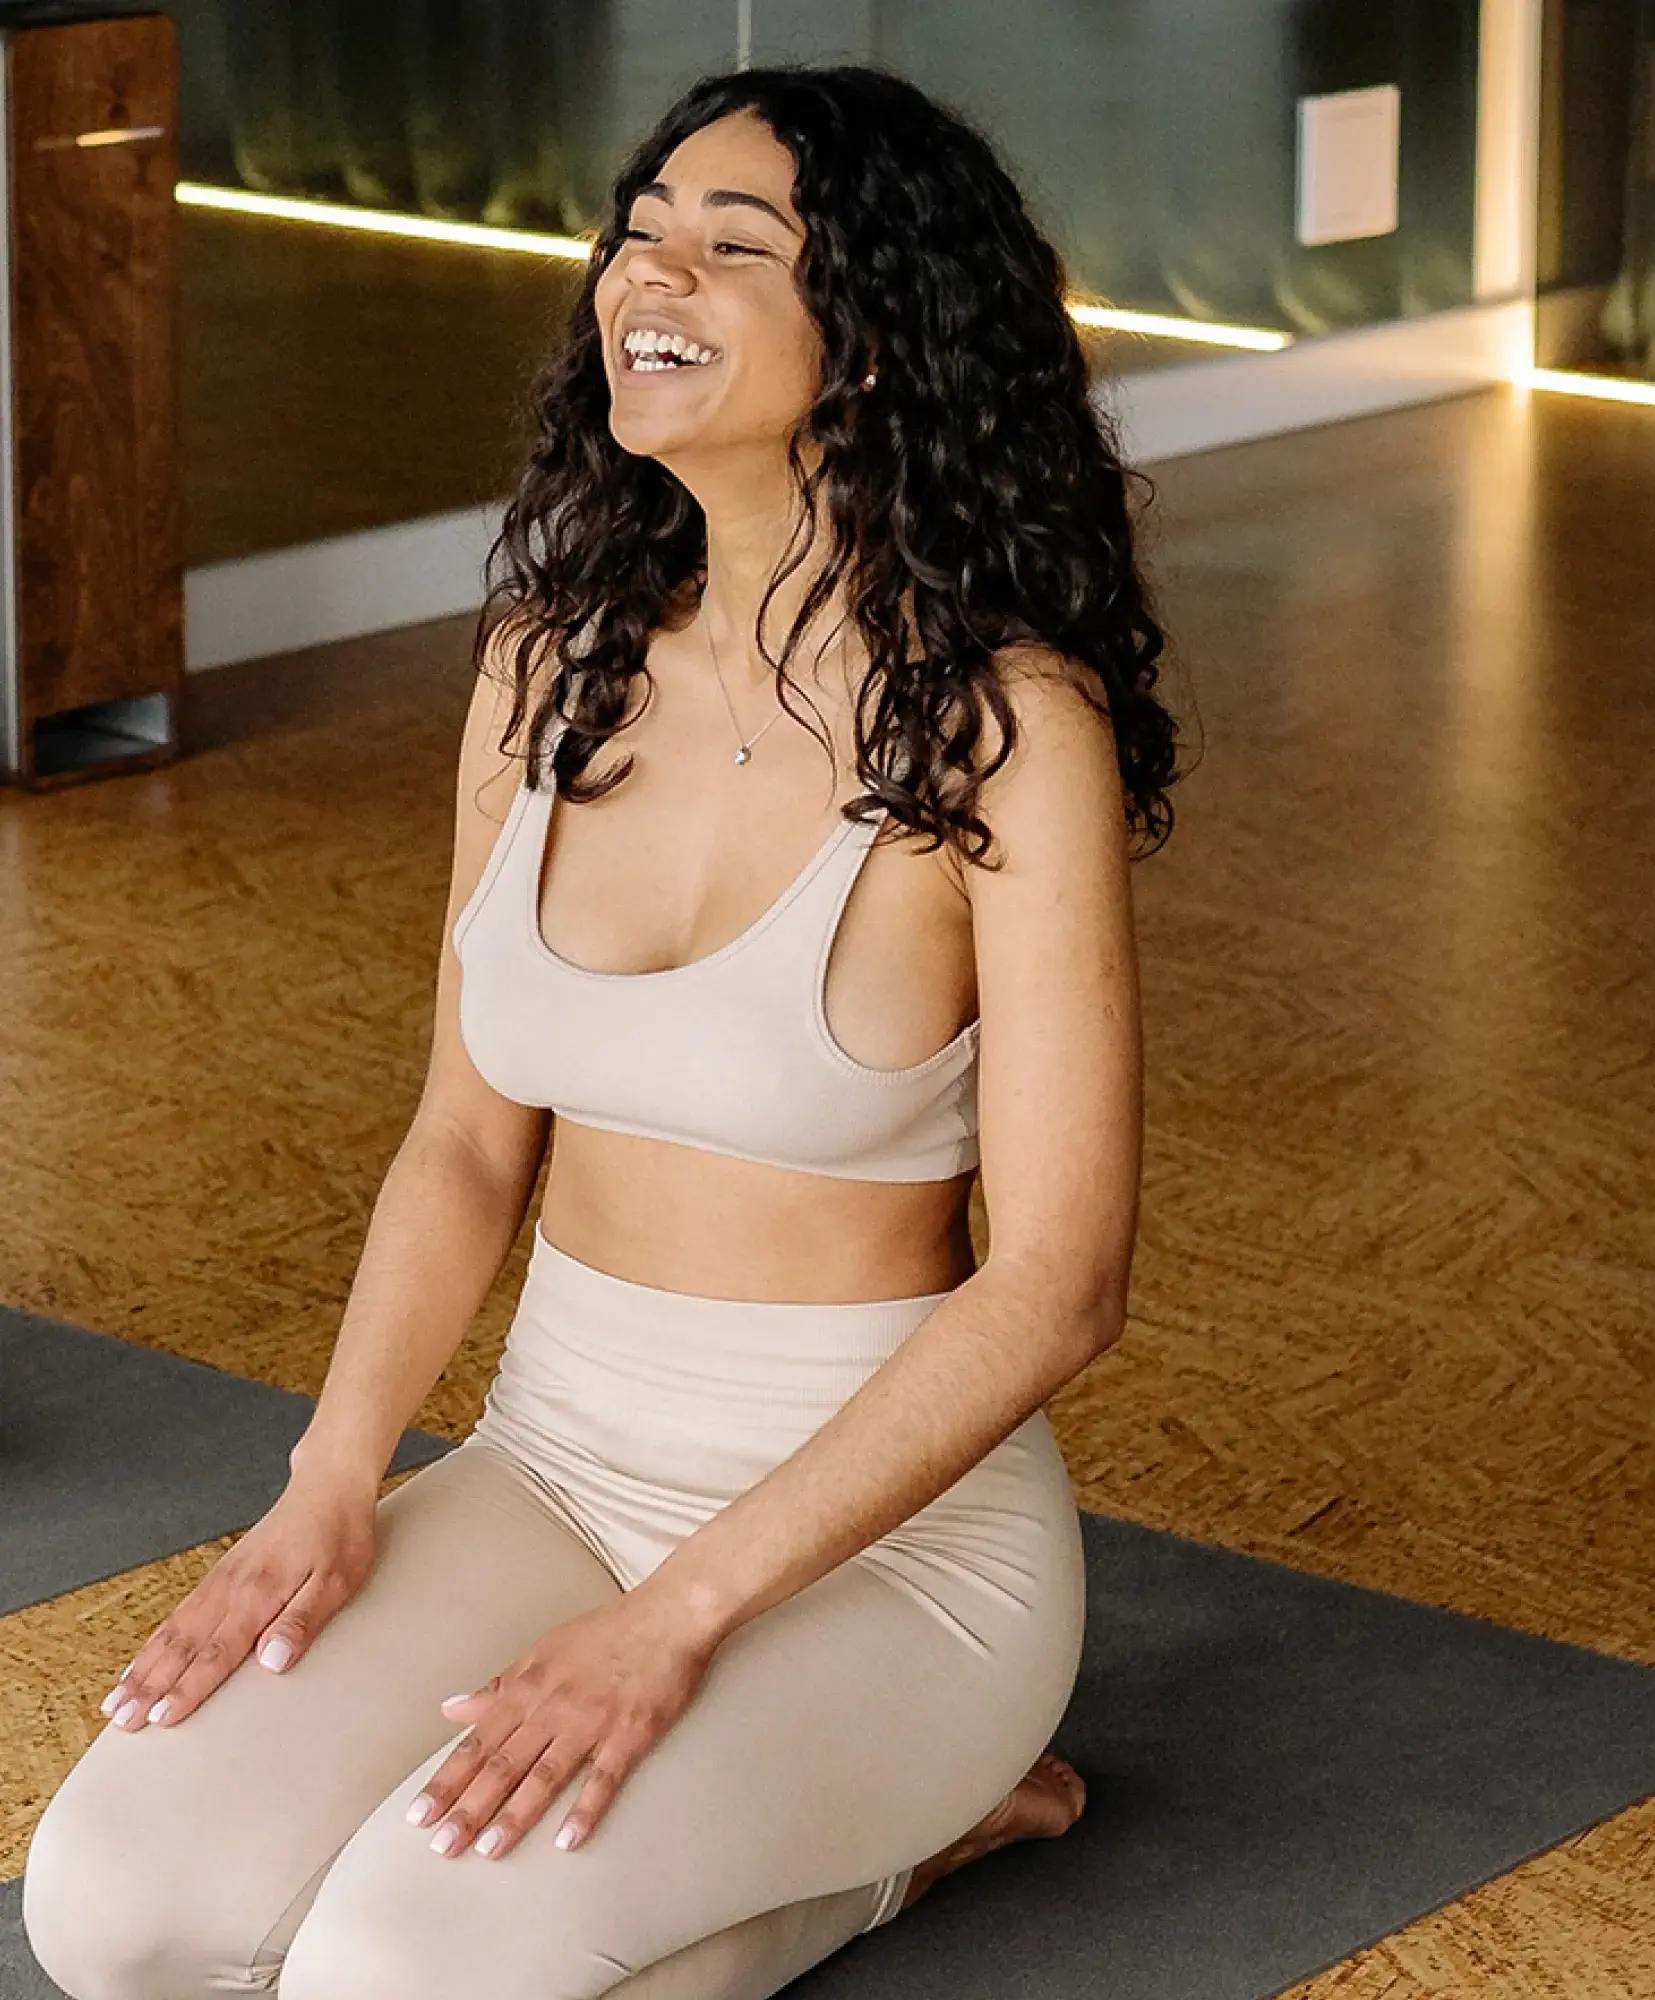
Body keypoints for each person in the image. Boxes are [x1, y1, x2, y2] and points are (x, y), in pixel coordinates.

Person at [25, 64, 1175, 2000]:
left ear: (879, 343)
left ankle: (911, 1835)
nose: (655, 270)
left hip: (886, 1554)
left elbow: (1062, 1283)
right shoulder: (546, 665)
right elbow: (467, 1140)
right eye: (643, 228)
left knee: (400, 1971)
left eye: (738, 245)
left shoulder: (999, 725)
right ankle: (840, 1836)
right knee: (114, 1906)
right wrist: (326, 1483)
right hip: (552, 1464)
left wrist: (677, 1622)